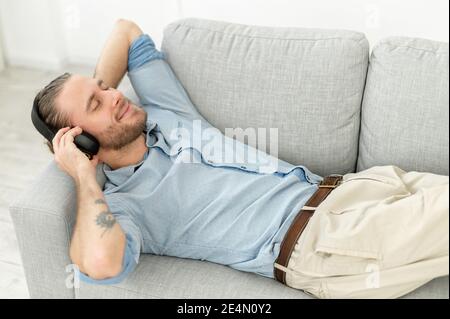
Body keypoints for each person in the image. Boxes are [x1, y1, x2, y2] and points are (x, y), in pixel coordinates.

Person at [32, 19, 449, 298]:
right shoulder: (127, 205)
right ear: (80, 139)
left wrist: (95, 96)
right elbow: (102, 264)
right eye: (96, 103)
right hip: (323, 244)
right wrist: (84, 174)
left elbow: (126, 30)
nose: (116, 94)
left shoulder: (165, 113)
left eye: (105, 87)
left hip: (356, 189)